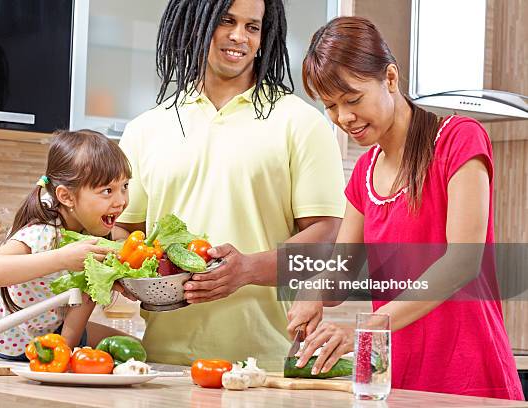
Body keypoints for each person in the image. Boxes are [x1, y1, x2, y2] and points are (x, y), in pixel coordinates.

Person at [287, 17, 524, 400]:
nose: (343, 117)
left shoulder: (459, 140)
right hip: (397, 381)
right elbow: (342, 273)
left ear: (391, 79)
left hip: (469, 378)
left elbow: (461, 263)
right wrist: (314, 289)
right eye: (330, 106)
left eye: (352, 99)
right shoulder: (364, 173)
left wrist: (369, 327)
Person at [115, 0, 346, 370]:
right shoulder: (145, 129)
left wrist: (247, 270)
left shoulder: (301, 123)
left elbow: (327, 237)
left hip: (264, 366)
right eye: (226, 21)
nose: (239, 36)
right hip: (161, 363)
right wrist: (118, 269)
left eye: (252, 27)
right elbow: (126, 231)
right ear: (196, 24)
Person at [0, 129, 133, 361]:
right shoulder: (43, 232)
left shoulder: (90, 227)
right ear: (66, 197)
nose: (121, 201)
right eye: (107, 191)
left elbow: (84, 298)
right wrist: (64, 258)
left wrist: (64, 350)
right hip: (15, 342)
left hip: (55, 333)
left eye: (125, 186)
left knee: (136, 349)